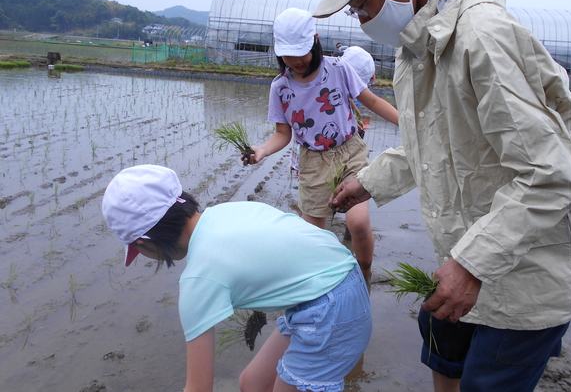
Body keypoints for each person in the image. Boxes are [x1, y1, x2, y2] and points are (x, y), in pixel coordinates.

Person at [314, 0, 571, 391]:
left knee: (486, 382)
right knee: (439, 341)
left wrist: (471, 264)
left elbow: (550, 174)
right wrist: (365, 183)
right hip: (472, 255)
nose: (360, 17)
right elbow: (426, 145)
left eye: (361, 2)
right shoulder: (417, 49)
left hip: (526, 271)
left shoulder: (482, 39)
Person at [101, 164, 372, 392]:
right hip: (339, 282)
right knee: (252, 384)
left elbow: (198, 388)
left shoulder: (199, 279)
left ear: (144, 243)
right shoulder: (222, 213)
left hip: (331, 310)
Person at [245, 8, 399, 282]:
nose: (295, 60)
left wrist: (408, 123)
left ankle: (364, 274)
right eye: (287, 55)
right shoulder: (280, 87)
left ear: (315, 40)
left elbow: (372, 101)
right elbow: (283, 134)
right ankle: (323, 283)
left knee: (359, 223)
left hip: (350, 152)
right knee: (313, 236)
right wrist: (262, 150)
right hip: (313, 162)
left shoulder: (339, 68)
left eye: (301, 52)